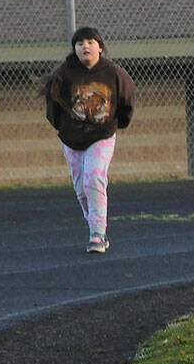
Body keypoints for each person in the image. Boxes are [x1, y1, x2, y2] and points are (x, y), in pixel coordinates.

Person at [44, 26, 135, 253]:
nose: (85, 46)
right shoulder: (64, 74)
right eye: (80, 43)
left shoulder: (113, 73)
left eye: (90, 42)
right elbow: (53, 106)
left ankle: (97, 233)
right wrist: (63, 128)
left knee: (93, 178)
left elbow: (127, 100)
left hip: (101, 135)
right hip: (71, 137)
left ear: (100, 47)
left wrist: (118, 123)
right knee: (81, 188)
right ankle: (95, 226)